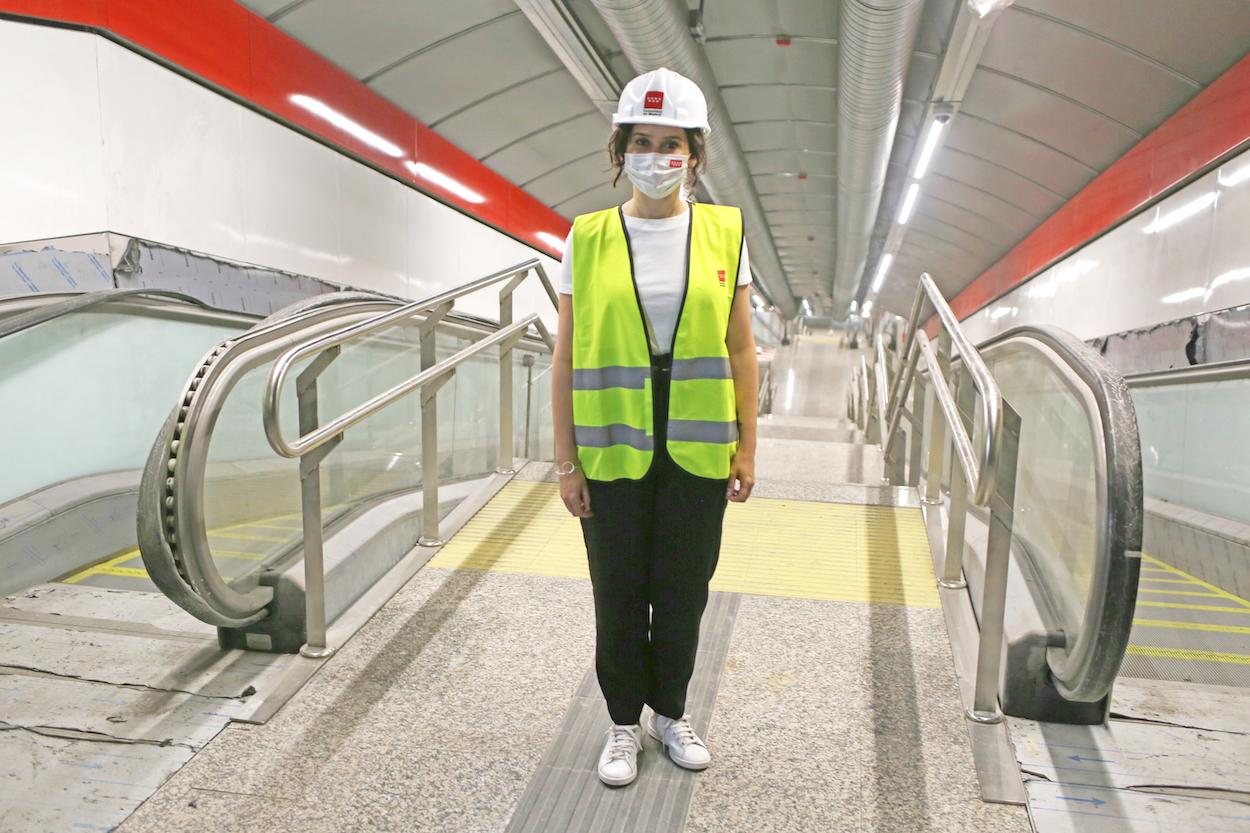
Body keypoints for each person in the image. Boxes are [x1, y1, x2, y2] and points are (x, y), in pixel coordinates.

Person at [550, 67, 759, 788]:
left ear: (696, 153)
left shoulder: (726, 232)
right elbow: (567, 350)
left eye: (673, 143)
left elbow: (740, 347)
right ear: (620, 149)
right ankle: (620, 723)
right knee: (616, 584)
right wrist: (564, 462)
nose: (658, 155)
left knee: (683, 585)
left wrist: (748, 445)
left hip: (699, 443)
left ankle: (670, 712)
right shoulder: (588, 236)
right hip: (611, 442)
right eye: (644, 141)